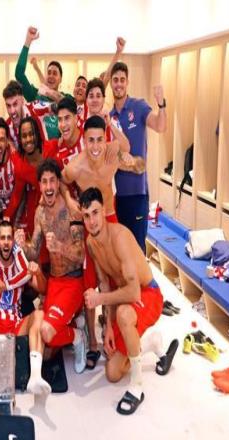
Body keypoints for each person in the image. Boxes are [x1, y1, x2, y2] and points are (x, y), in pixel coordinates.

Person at [80, 187, 178, 415]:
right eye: (86, 216)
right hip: (124, 299)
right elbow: (105, 284)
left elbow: (133, 293)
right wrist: (107, 327)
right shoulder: (92, 243)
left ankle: (137, 387)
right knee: (113, 373)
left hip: (148, 295)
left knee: (124, 314)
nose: (92, 221)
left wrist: (99, 299)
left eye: (95, 213)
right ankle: (151, 343)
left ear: (104, 210)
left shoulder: (120, 237)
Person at [62, 115, 143, 369]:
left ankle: (115, 332)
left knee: (117, 278)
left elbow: (135, 159)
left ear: (104, 138)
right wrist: (69, 200)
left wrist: (129, 157)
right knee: (90, 282)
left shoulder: (111, 152)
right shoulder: (76, 166)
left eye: (100, 139)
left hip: (110, 217)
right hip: (90, 223)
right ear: (84, 141)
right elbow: (62, 180)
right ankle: (92, 343)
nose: (96, 146)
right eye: (91, 140)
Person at [15, 159, 87, 374]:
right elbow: (34, 252)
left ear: (58, 184)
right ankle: (74, 324)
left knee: (46, 332)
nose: (48, 187)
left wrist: (59, 247)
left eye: (52, 181)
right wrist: (22, 245)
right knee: (44, 351)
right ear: (39, 185)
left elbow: (81, 255)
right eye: (44, 182)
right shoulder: (40, 213)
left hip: (73, 281)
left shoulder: (71, 210)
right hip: (54, 283)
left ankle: (78, 337)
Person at [0, 220, 51, 395]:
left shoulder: (21, 264)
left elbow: (43, 289)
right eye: (2, 238)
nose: (6, 242)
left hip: (15, 325)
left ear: (13, 241)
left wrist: (37, 272)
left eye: (9, 238)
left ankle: (35, 377)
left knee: (39, 314)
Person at [109, 61, 167, 252]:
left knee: (137, 250)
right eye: (115, 80)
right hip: (117, 197)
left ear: (127, 82)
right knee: (121, 251)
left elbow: (160, 126)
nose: (119, 84)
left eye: (122, 80)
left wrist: (161, 104)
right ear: (111, 83)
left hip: (137, 194)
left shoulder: (138, 106)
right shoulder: (109, 117)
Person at [15, 26, 73, 139]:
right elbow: (19, 74)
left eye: (55, 73)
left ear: (61, 79)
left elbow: (71, 106)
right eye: (49, 72)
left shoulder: (67, 98)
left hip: (59, 148)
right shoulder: (35, 95)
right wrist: (28, 41)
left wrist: (49, 92)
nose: (51, 76)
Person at [0, 118, 38, 221]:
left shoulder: (18, 164)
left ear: (7, 141)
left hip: (17, 209)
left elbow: (17, 197)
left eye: (2, 140)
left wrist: (6, 218)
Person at [3, 80, 52, 150]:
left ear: (22, 101)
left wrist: (49, 92)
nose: (12, 111)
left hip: (45, 155)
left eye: (15, 104)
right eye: (8, 106)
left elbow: (60, 107)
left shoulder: (35, 107)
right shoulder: (7, 127)